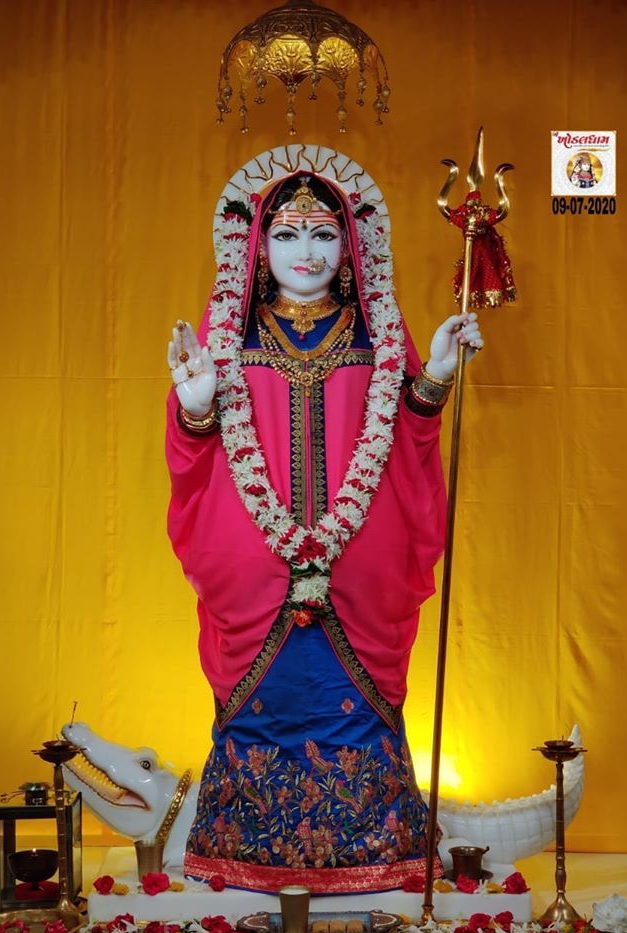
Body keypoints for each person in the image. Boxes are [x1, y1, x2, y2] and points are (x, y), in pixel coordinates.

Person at [165, 171, 483, 893]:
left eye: (322, 234)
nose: (304, 253)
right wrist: (196, 409)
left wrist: (432, 375)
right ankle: (242, 856)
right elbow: (191, 462)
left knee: (360, 709)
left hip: (361, 570)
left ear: (352, 245)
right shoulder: (226, 342)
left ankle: (381, 854)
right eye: (285, 235)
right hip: (253, 570)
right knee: (261, 706)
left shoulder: (379, 341)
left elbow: (407, 438)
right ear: (254, 246)